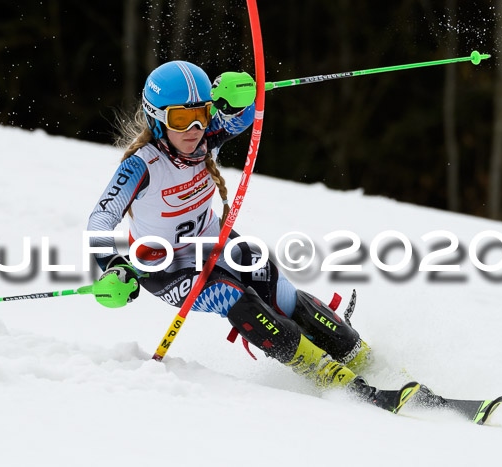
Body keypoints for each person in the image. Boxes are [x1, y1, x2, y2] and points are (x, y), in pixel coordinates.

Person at [87, 60, 417, 412]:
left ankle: (361, 356)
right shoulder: (142, 164)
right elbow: (99, 221)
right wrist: (113, 265)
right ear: (157, 119)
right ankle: (328, 374)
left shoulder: (207, 135)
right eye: (181, 119)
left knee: (282, 294)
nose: (195, 128)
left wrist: (237, 94)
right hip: (167, 269)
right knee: (234, 297)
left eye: (202, 113)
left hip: (215, 239)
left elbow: (245, 114)